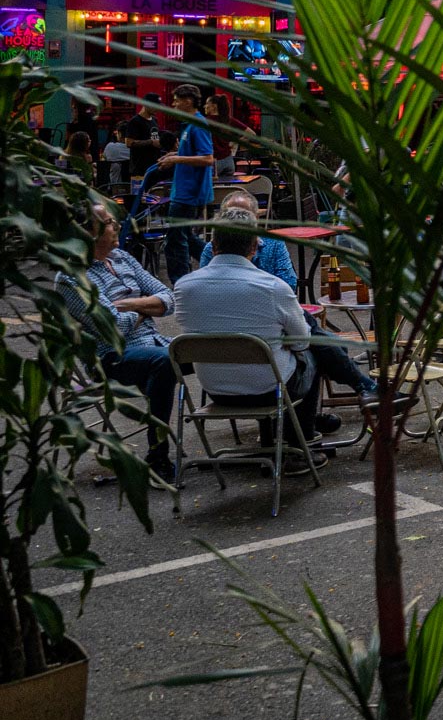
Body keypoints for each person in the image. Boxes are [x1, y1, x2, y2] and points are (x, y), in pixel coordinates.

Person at [175, 210, 358, 468]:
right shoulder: (272, 287)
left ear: (213, 245)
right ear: (254, 246)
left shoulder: (184, 288)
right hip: (269, 390)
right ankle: (299, 445)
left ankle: (299, 436)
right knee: (311, 352)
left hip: (217, 389)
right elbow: (302, 342)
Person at [199, 190, 387, 400]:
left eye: (244, 217)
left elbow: (289, 282)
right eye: (231, 216)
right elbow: (300, 340)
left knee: (310, 336)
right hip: (256, 355)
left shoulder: (272, 245)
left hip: (230, 371)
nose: (237, 223)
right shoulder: (267, 285)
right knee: (314, 348)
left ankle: (342, 399)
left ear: (257, 219)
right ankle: (358, 390)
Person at [58, 201, 177, 478]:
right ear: (88, 233)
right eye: (110, 223)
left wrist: (129, 304)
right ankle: (157, 456)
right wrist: (146, 308)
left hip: (153, 342)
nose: (117, 226)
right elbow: (113, 326)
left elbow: (168, 298)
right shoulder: (72, 278)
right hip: (110, 358)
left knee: (207, 345)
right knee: (163, 363)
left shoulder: (123, 259)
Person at [157, 85, 214, 281]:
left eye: (176, 100)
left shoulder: (198, 125)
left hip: (188, 193)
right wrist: (174, 155)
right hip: (183, 191)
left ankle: (180, 281)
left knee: (176, 240)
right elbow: (192, 154)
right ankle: (215, 263)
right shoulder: (189, 126)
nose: (173, 104)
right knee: (185, 236)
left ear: (188, 101)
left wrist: (175, 159)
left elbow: (207, 158)